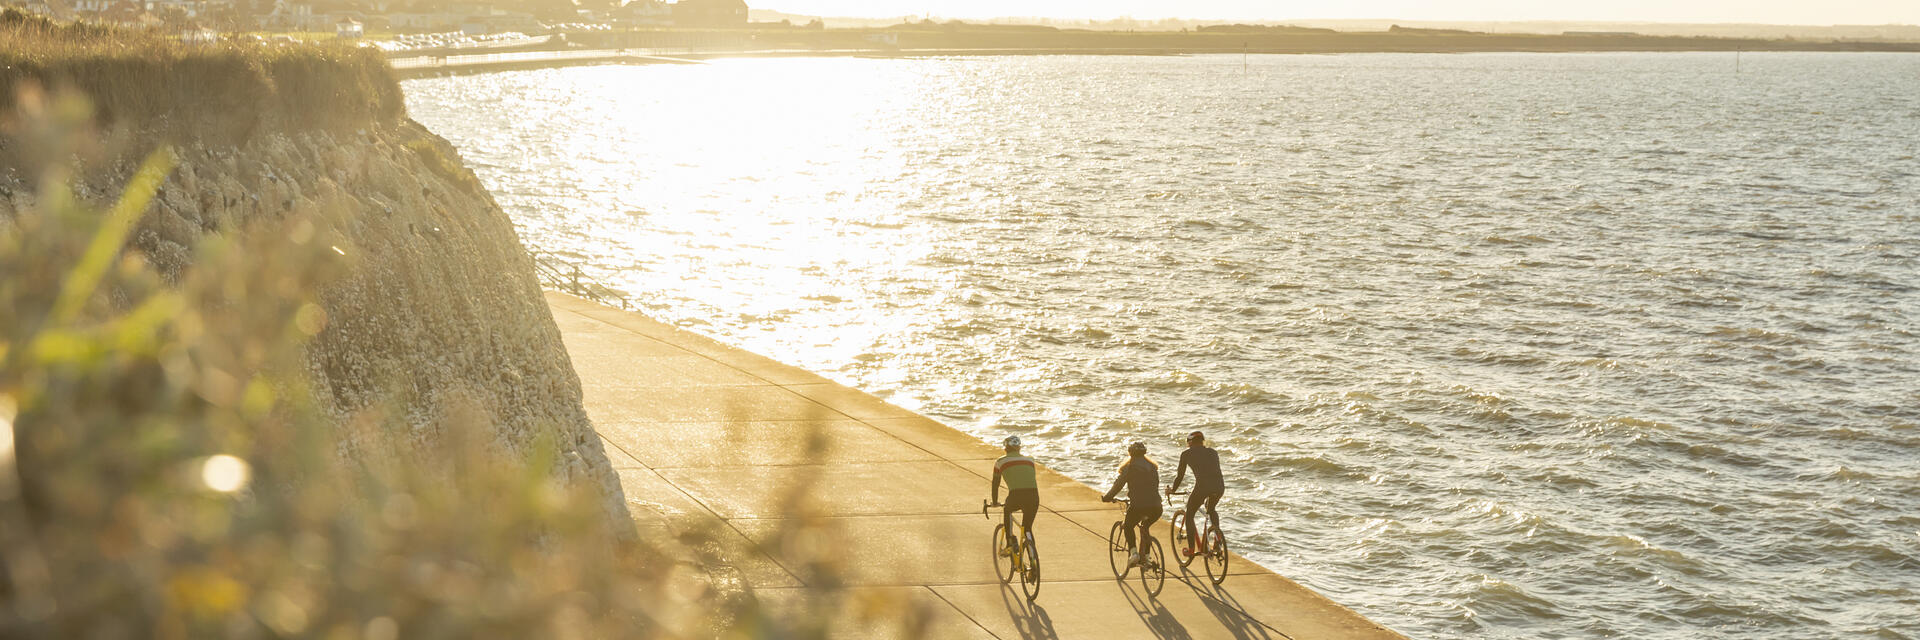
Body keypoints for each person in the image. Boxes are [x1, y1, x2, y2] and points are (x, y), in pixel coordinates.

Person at [1102, 441, 1162, 567]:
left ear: (1130, 454)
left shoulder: (1129, 468)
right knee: (1145, 527)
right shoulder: (1152, 467)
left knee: (1128, 526)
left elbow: (1118, 485)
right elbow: (1154, 486)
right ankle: (1147, 557)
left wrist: (1108, 497)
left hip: (1138, 506)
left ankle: (1134, 553)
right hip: (1156, 507)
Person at [1168, 430, 1224, 558]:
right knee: (1211, 509)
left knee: (1189, 514)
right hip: (1219, 486)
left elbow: (1180, 476)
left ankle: (1191, 549)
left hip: (1202, 487)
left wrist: (1173, 490)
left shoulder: (1186, 454)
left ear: (1190, 442)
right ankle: (1217, 540)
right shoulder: (1213, 452)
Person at [989, 436, 1039, 553]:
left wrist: (995, 501)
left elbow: (995, 483)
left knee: (1007, 510)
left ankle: (1010, 542)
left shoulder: (1000, 462)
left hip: (1016, 495)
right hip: (1034, 496)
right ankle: (1033, 560)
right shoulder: (1030, 460)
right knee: (1027, 528)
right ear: (1019, 448)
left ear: (1006, 448)